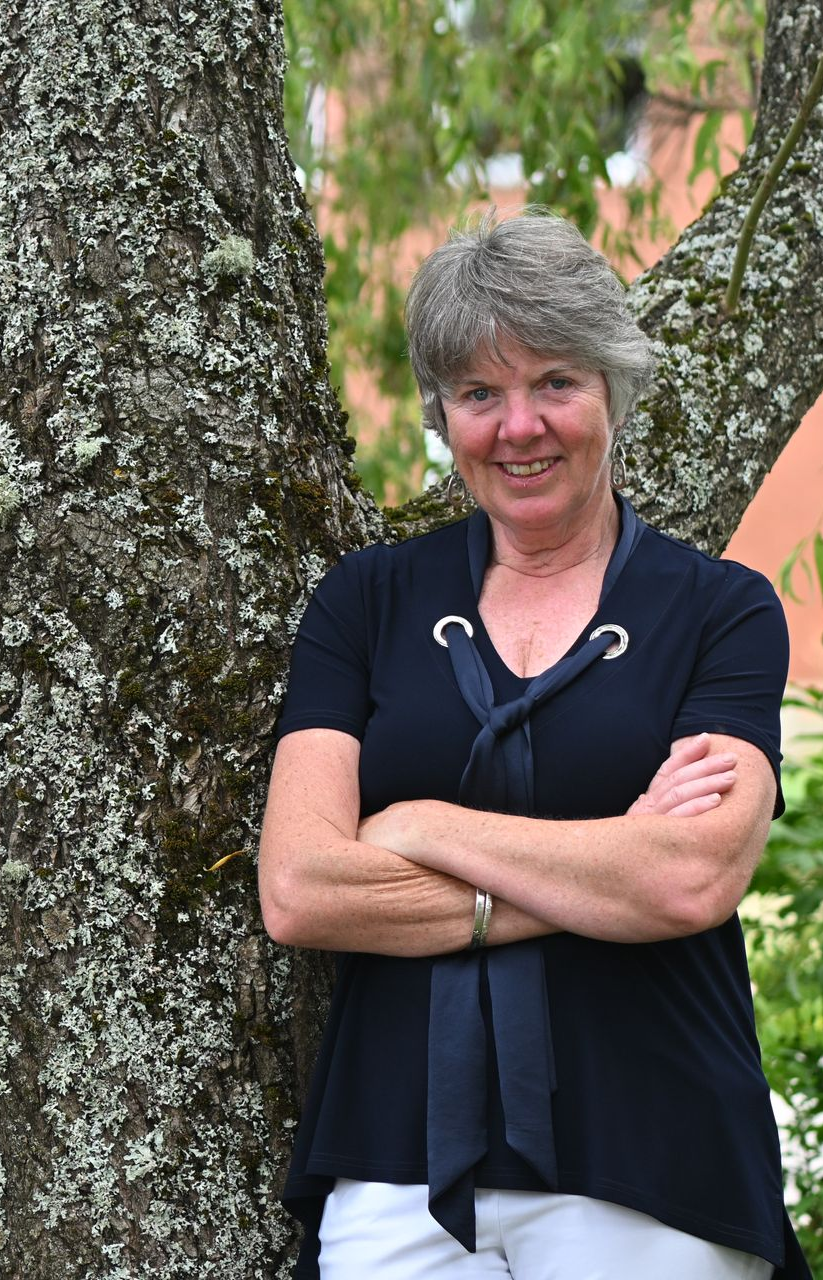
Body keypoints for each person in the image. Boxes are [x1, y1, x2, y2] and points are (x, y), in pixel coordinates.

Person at [259, 212, 811, 1279]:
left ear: (610, 388)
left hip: (655, 1153)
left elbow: (690, 876)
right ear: (442, 415)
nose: (518, 425)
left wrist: (419, 828)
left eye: (553, 380)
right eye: (477, 393)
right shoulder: (365, 603)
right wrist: (604, 872)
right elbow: (300, 889)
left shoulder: (718, 610)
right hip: (393, 1163)